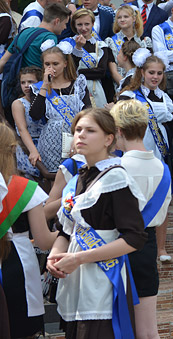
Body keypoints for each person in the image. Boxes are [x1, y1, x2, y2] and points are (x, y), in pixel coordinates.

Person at [47, 108, 147, 339]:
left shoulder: (117, 178)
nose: (80, 135)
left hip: (102, 280)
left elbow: (134, 237)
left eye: (90, 130)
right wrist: (54, 257)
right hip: (75, 279)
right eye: (78, 130)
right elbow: (65, 230)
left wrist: (78, 258)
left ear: (108, 139)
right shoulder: (78, 178)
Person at [111, 100, 172, 339]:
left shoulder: (116, 168)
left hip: (115, 248)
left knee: (117, 326)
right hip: (146, 250)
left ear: (118, 131)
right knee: (148, 331)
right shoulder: (163, 168)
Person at [119, 50, 173, 263]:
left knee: (162, 201)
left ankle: (161, 248)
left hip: (159, 155)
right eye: (151, 72)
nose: (155, 77)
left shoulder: (165, 96)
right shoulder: (129, 95)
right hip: (134, 155)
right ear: (142, 72)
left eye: (159, 73)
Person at [0, 124, 57, 338]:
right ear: (12, 150)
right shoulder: (24, 187)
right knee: (22, 328)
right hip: (18, 263)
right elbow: (43, 241)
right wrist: (67, 234)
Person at [29, 42, 91, 172]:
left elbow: (88, 113)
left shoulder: (78, 84)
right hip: (51, 144)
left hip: (78, 139)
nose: (51, 68)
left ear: (65, 63)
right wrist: (45, 85)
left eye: (55, 64)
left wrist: (78, 138)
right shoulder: (38, 88)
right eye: (47, 64)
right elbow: (35, 115)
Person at [0, 3, 71, 72]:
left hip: (21, 81)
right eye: (65, 24)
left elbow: (3, 61)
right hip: (39, 82)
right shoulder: (50, 38)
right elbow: (51, 68)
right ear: (57, 21)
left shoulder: (23, 33)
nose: (65, 27)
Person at [69, 8, 118, 107]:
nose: (83, 28)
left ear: (92, 24)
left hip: (96, 90)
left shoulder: (100, 45)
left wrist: (78, 73)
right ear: (74, 25)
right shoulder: (68, 44)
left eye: (87, 24)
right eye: (79, 24)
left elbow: (101, 71)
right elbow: (69, 70)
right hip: (74, 89)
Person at [12, 66, 44, 178]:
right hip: (28, 146)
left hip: (45, 143)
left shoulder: (46, 100)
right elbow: (22, 129)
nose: (26, 85)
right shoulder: (19, 103)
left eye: (30, 82)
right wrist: (33, 151)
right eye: (23, 82)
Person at [105, 5, 153, 80]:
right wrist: (126, 87)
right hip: (119, 85)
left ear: (134, 19)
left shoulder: (144, 41)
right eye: (119, 17)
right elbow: (113, 72)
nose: (122, 20)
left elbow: (149, 66)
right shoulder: (110, 41)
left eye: (126, 17)